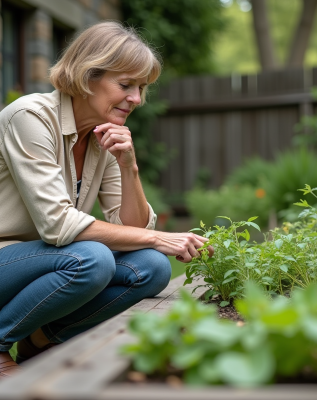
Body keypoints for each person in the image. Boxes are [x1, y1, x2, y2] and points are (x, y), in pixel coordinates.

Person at [0, 21, 213, 379]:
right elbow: (59, 225)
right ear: (86, 76)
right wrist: (161, 238)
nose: (137, 99)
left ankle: (42, 339)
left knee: (152, 266)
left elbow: (134, 231)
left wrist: (129, 167)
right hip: (8, 258)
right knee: (92, 260)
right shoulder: (30, 117)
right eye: (126, 85)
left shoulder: (102, 135)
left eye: (142, 88)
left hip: (46, 262)